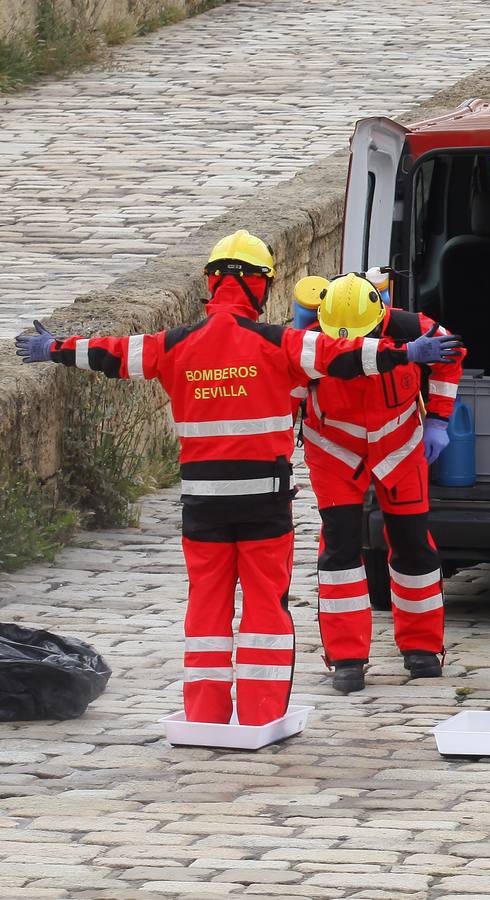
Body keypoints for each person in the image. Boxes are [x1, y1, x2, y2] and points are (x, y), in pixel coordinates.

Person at [13, 230, 462, 725]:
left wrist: (53, 347)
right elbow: (344, 360)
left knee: (212, 609)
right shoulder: (283, 342)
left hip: (216, 502)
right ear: (262, 286)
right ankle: (288, 699)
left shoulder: (176, 344)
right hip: (283, 489)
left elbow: (114, 352)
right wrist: (403, 358)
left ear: (211, 283)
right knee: (288, 594)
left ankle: (208, 714)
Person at [300, 273, 462, 693]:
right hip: (335, 449)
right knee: (340, 551)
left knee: (412, 545)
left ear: (379, 317)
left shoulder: (414, 328)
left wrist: (440, 419)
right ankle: (346, 658)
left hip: (400, 447)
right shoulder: (307, 341)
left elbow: (451, 354)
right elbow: (288, 392)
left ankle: (423, 650)